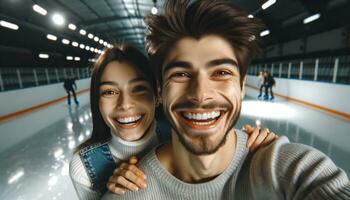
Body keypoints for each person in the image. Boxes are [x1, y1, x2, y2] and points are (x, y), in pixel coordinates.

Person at [102, 0, 350, 199]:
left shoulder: (291, 170)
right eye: (181, 74)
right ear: (159, 91)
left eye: (221, 72)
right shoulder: (129, 194)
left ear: (241, 87)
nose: (200, 94)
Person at [69, 44, 277, 200]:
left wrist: (253, 144)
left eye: (139, 88)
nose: (125, 104)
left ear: (157, 95)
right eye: (110, 92)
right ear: (98, 101)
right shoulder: (85, 168)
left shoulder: (184, 133)